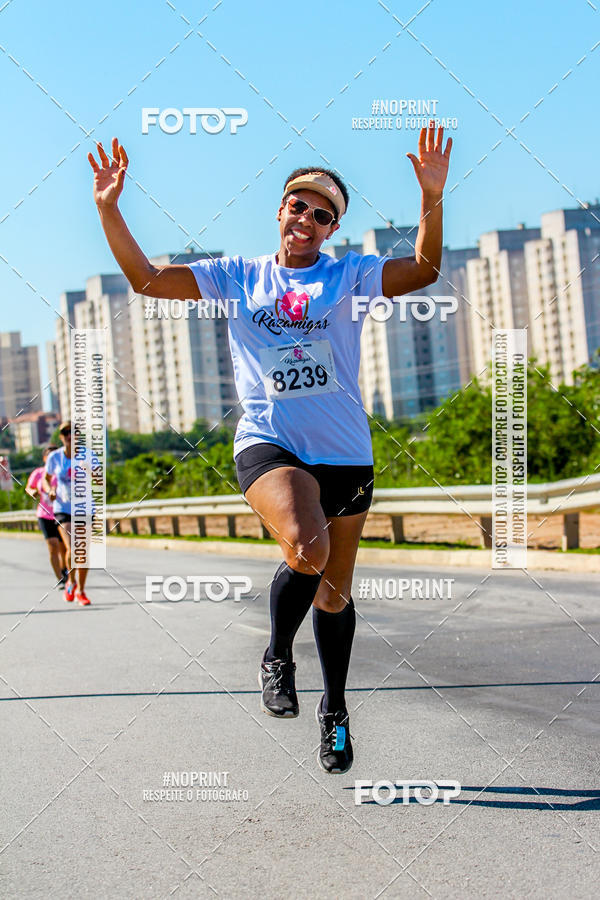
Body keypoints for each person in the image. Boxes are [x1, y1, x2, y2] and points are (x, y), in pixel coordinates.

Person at [88, 125, 451, 773]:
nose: (306, 219)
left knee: (334, 593)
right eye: (297, 206)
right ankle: (277, 654)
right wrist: (109, 209)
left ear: (332, 228)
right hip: (269, 444)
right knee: (305, 545)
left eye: (322, 214)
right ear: (279, 210)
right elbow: (145, 280)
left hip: (346, 455)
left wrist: (431, 197)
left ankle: (334, 710)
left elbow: (423, 269)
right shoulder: (237, 277)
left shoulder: (351, 275)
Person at [42, 422, 91, 606]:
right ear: (61, 436)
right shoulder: (55, 457)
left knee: (83, 552)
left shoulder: (87, 455)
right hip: (63, 508)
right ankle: (71, 580)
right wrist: (50, 490)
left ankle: (81, 590)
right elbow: (46, 480)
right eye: (65, 432)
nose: (70, 435)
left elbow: (98, 477)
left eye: (73, 431)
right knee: (71, 547)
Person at [26, 445, 68, 587]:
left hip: (61, 513)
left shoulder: (62, 472)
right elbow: (29, 487)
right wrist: (32, 492)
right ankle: (60, 579)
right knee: (53, 546)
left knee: (64, 548)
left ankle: (64, 570)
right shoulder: (38, 473)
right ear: (45, 458)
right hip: (44, 515)